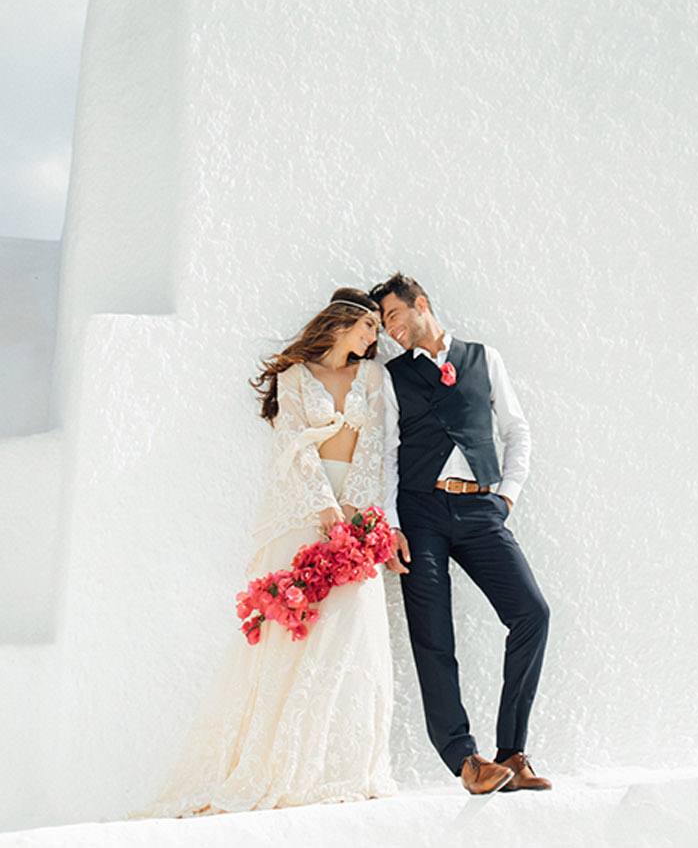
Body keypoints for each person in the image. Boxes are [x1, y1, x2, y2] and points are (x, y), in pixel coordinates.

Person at [131, 288, 397, 818]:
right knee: (294, 632)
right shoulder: (294, 379)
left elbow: (375, 445)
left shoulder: (372, 378)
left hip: (355, 514)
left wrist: (355, 515)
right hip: (304, 513)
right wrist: (324, 508)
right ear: (344, 322)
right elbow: (292, 447)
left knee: (352, 635)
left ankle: (338, 765)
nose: (374, 338)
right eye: (369, 327)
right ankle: (273, 762)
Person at [370, 272, 552, 797]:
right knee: (433, 634)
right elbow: (386, 453)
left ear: (420, 304)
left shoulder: (483, 358)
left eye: (395, 317)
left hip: (479, 510)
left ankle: (511, 752)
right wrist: (393, 524)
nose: (391, 330)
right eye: (384, 324)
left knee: (531, 613)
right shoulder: (391, 375)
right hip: (420, 513)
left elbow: (516, 430)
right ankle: (465, 760)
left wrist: (507, 494)